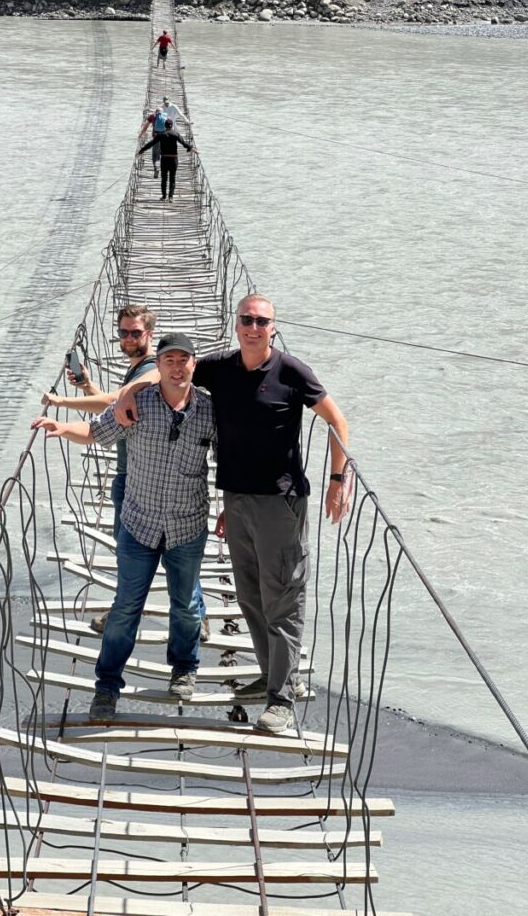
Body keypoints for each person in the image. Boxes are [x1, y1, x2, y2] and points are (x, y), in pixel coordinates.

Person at [114, 295, 352, 734]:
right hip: (237, 501)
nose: (253, 327)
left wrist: (338, 479)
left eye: (261, 321)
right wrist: (129, 390)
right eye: (246, 319)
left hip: (280, 502)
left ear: (273, 328)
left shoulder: (291, 370)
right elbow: (169, 371)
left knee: (282, 597)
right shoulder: (221, 368)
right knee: (250, 596)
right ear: (236, 324)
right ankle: (270, 675)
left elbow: (337, 420)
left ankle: (282, 697)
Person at [32, 333, 216, 721]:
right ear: (159, 365)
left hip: (187, 525)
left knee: (185, 607)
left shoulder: (209, 411)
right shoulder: (135, 405)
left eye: (184, 360)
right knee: (125, 607)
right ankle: (107, 687)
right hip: (139, 524)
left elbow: (235, 458)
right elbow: (96, 433)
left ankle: (184, 670)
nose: (177, 366)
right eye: (169, 360)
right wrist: (62, 427)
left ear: (194, 365)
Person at [44, 306, 209, 641]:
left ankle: (189, 616)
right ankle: (184, 613)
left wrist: (60, 402)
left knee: (141, 552)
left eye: (136, 333)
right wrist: (88, 386)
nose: (129, 338)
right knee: (155, 554)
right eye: (124, 332)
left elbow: (119, 400)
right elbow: (116, 409)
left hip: (137, 475)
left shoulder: (152, 370)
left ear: (150, 334)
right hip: (133, 471)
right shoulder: (139, 369)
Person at [137, 118, 194, 202]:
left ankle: (164, 197)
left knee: (164, 178)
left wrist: (142, 150)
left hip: (164, 159)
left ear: (165, 126)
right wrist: (189, 148)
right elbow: (184, 143)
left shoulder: (161, 135)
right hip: (174, 159)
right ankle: (171, 197)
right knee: (172, 178)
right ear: (172, 126)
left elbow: (151, 143)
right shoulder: (176, 134)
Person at [138, 105, 168, 178]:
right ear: (162, 112)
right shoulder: (166, 117)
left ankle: (156, 168)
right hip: (165, 139)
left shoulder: (152, 116)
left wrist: (141, 134)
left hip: (156, 138)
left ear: (156, 112)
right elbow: (171, 128)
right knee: (163, 155)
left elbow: (146, 126)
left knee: (155, 155)